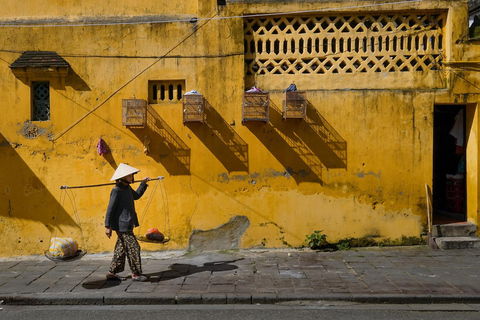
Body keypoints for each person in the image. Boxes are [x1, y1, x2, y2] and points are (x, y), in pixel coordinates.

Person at [104, 163, 151, 282]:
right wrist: (108, 226)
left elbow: (137, 196)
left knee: (121, 249)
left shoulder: (127, 188)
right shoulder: (116, 190)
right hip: (122, 225)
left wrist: (143, 183)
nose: (131, 177)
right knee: (134, 247)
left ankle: (111, 273)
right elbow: (110, 209)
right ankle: (135, 273)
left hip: (128, 223)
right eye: (129, 175)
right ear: (123, 177)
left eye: (131, 175)